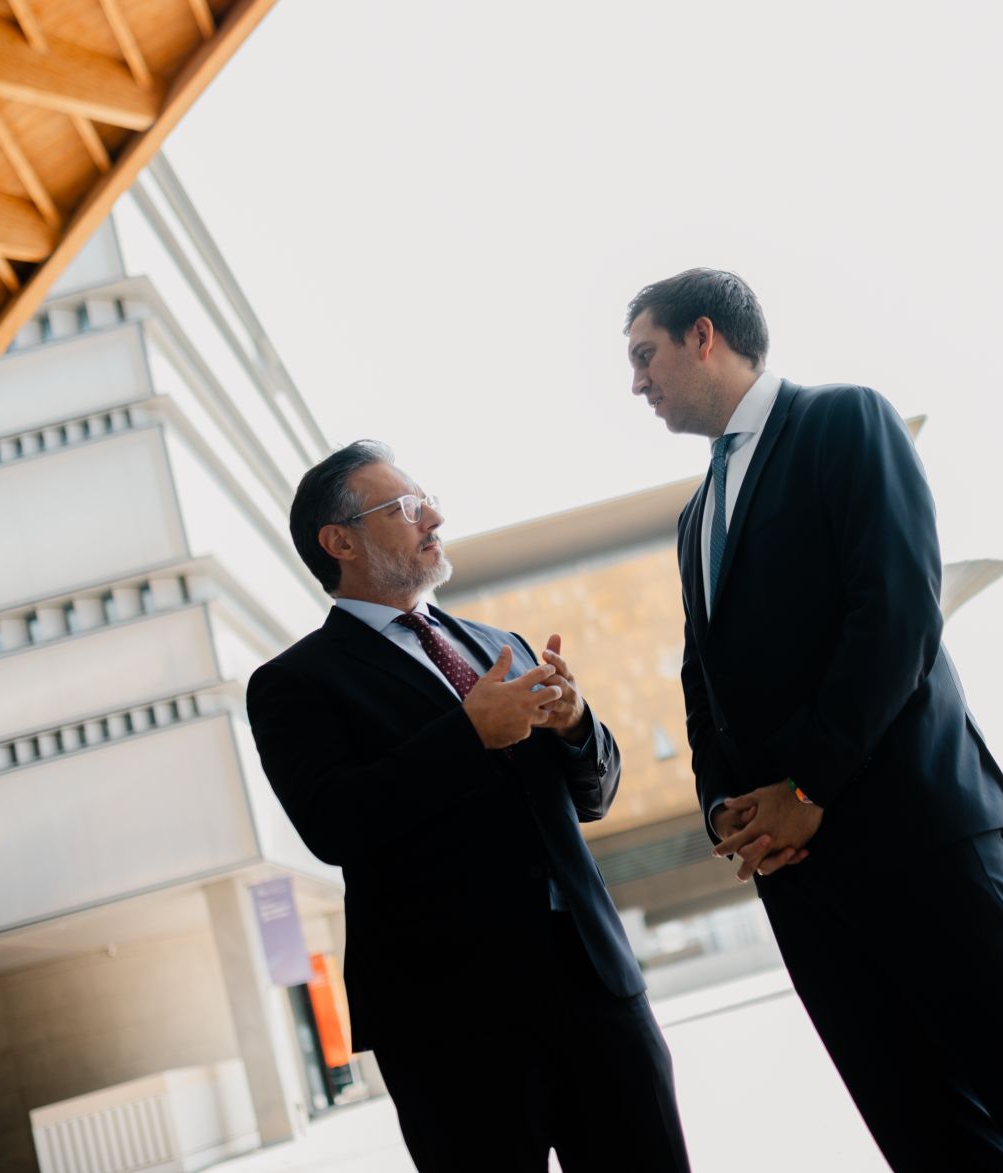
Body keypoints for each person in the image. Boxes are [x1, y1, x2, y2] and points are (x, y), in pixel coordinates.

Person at [624, 269, 1003, 1171]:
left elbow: (898, 610)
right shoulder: (694, 517)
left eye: (645, 356)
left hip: (915, 834)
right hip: (800, 875)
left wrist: (807, 784)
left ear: (704, 335)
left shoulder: (845, 420)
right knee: (921, 1129)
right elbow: (701, 677)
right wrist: (725, 804)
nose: (637, 382)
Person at [246, 441, 692, 1173]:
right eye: (408, 506)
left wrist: (579, 723)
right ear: (341, 540)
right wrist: (467, 734)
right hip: (451, 1023)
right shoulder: (293, 684)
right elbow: (334, 822)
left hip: (596, 989)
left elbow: (595, 794)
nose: (436, 517)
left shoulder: (498, 644)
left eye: (428, 500)